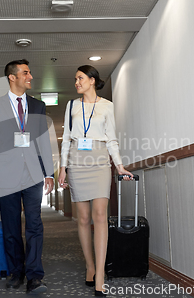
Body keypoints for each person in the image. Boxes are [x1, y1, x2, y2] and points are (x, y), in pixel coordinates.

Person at [0, 59, 54, 294]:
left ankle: (34, 276)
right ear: (12, 77)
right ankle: (16, 271)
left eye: (30, 73)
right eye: (26, 73)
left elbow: (44, 142)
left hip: (32, 174)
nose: (30, 77)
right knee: (11, 227)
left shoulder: (38, 105)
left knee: (34, 225)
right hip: (5, 174)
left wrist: (49, 172)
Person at [58, 65, 132, 297]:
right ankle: (89, 265)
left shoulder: (107, 106)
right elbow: (67, 140)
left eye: (80, 78)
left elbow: (112, 139)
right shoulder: (71, 105)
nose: (76, 82)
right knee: (83, 217)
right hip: (77, 161)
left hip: (100, 160)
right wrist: (63, 168)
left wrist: (118, 166)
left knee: (100, 215)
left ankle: (100, 273)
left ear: (92, 80)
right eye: (75, 79)